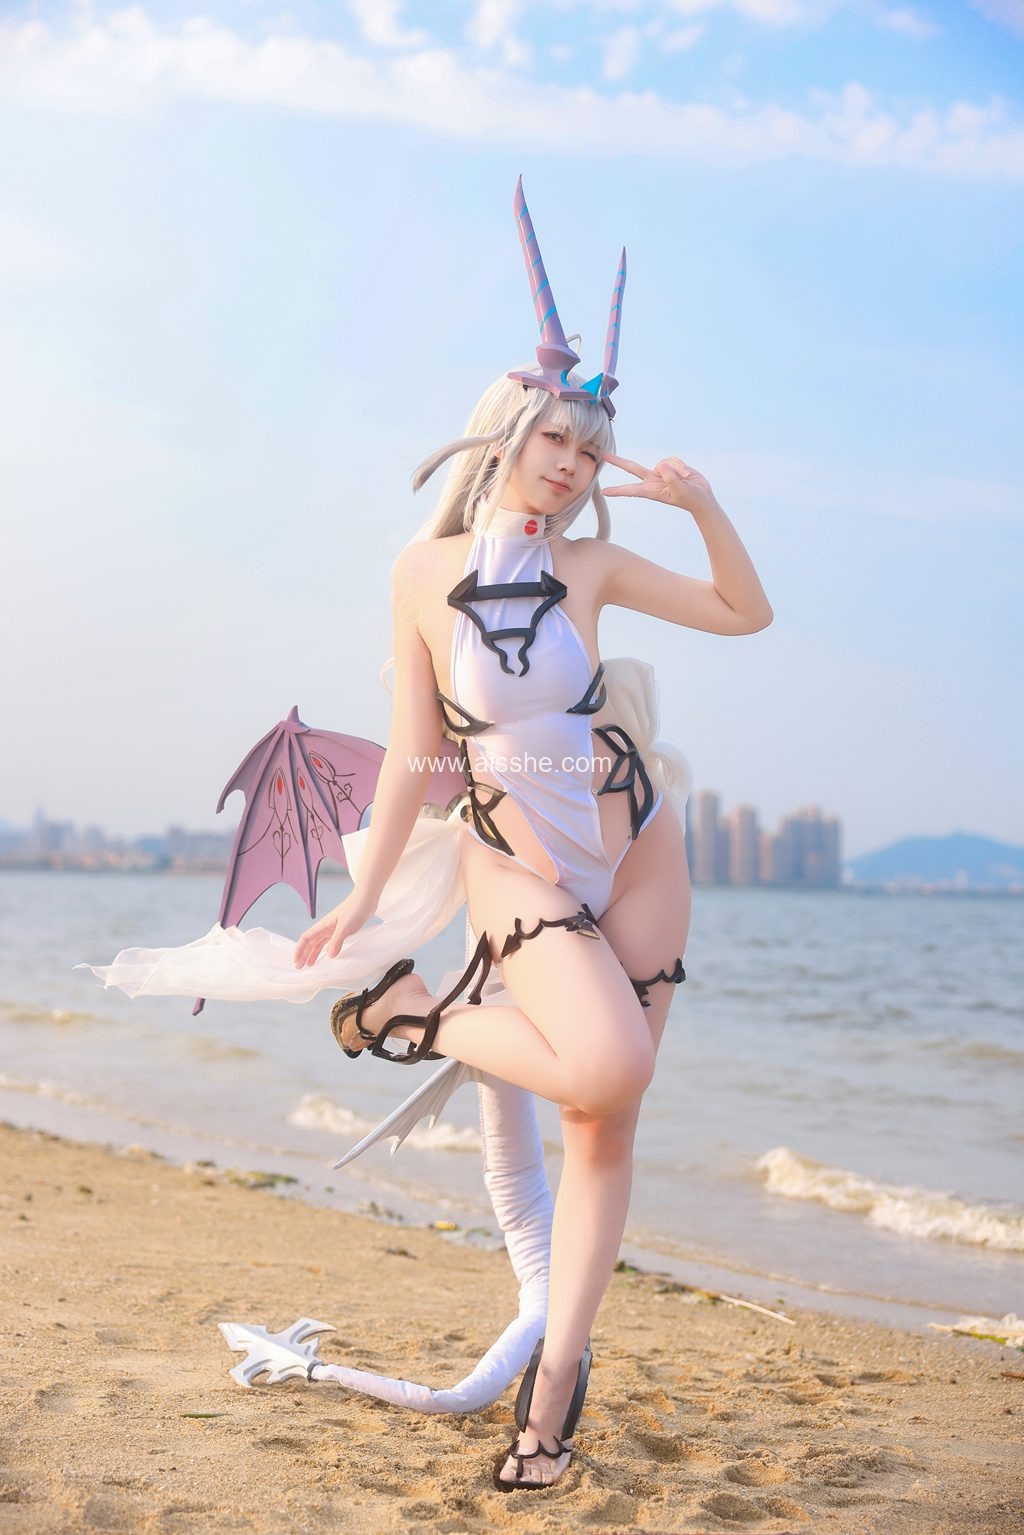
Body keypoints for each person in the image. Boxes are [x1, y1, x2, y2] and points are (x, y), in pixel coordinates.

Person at [291, 183, 773, 1491]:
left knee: (610, 1124)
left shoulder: (592, 569)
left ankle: (557, 1382)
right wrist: (365, 897)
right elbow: (417, 749)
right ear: (507, 433)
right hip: (518, 862)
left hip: (638, 839)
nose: (570, 464)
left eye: (590, 450)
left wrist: (697, 502)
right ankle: (421, 1015)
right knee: (603, 1071)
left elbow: (746, 612)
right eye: (555, 437)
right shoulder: (421, 574)